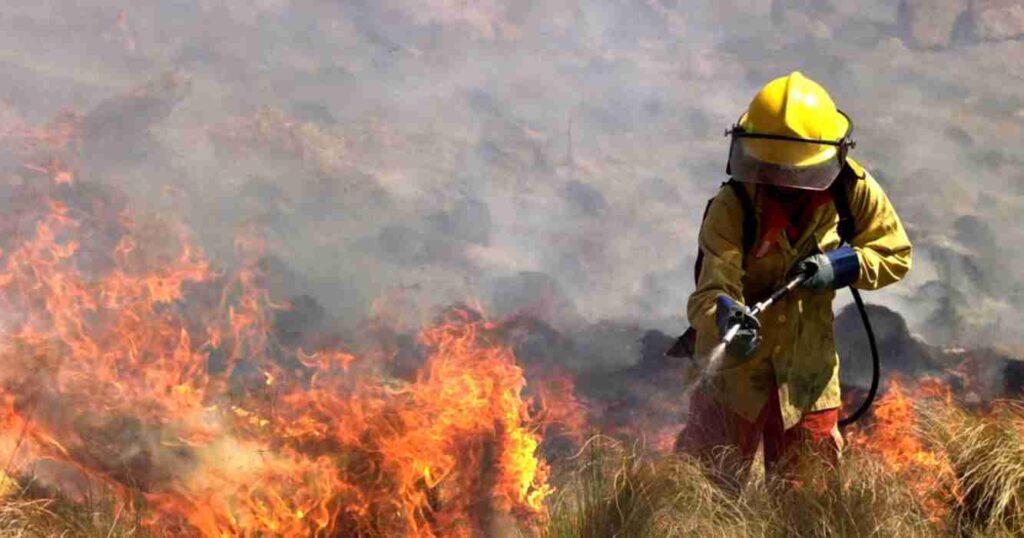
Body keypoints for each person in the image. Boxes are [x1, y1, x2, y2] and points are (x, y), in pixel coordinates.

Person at [675, 71, 912, 488]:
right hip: (732, 379)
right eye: (772, 171)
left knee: (808, 508)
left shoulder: (851, 190)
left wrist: (842, 266)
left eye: (795, 174)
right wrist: (726, 317)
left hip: (808, 379)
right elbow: (708, 294)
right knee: (702, 495)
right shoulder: (734, 206)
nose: (784, 184)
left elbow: (894, 254)